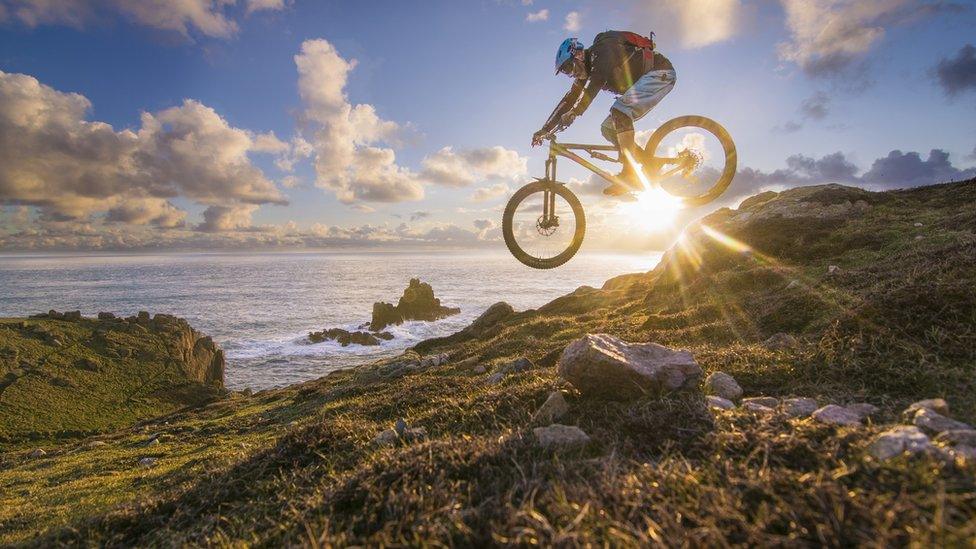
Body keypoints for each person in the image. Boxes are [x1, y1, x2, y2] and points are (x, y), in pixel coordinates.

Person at [531, 32, 676, 196]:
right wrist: (545, 129)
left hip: (660, 73)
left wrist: (576, 112)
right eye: (566, 73)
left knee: (619, 112)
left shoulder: (603, 49)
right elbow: (569, 99)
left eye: (568, 68)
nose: (571, 74)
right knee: (608, 128)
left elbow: (597, 82)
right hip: (648, 81)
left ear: (578, 54)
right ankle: (649, 163)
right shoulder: (588, 70)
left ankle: (630, 173)